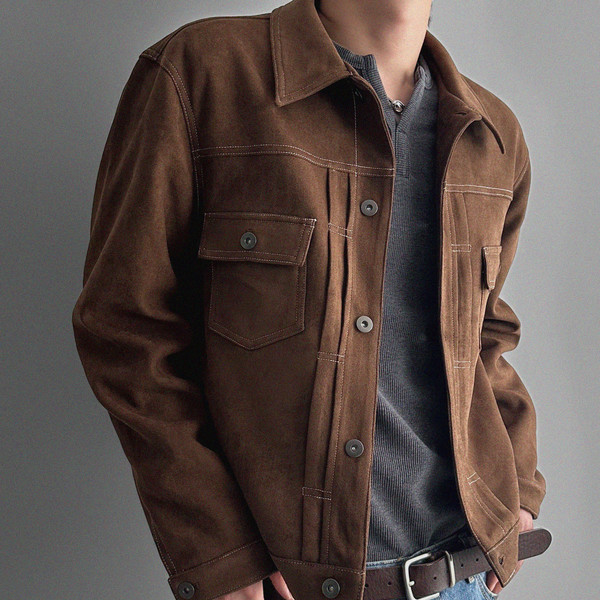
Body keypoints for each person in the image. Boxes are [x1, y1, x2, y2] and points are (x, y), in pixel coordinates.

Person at [72, 0, 547, 599]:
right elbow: (125, 329)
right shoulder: (202, 74)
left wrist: (518, 489)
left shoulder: (494, 135)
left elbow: (485, 337)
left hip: (463, 576)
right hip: (288, 587)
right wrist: (217, 550)